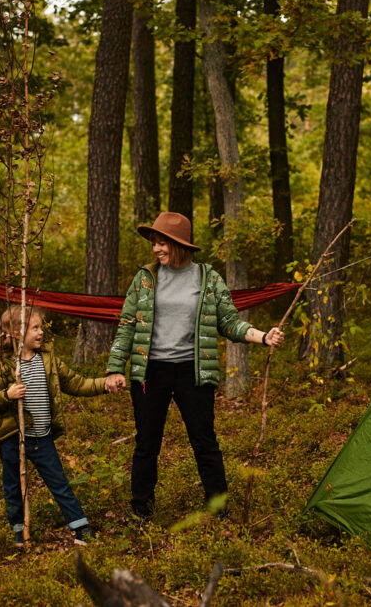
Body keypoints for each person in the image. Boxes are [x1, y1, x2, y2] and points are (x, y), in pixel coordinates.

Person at [105, 211, 284, 522]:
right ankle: (141, 508)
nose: (156, 249)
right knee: (147, 441)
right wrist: (115, 368)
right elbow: (126, 327)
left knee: (204, 441)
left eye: (162, 244)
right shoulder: (145, 279)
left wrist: (263, 336)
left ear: (178, 245)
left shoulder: (208, 278)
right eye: (154, 243)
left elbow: (228, 322)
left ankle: (218, 506)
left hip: (193, 371)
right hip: (150, 372)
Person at [0, 304, 124, 546]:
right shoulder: (3, 367)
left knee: (59, 482)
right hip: (13, 438)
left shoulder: (48, 361)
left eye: (41, 327)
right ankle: (19, 531)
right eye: (34, 328)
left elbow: (77, 384)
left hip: (42, 437)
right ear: (16, 333)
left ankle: (81, 530)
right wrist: (7, 395)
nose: (40, 333)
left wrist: (103, 384)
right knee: (13, 486)